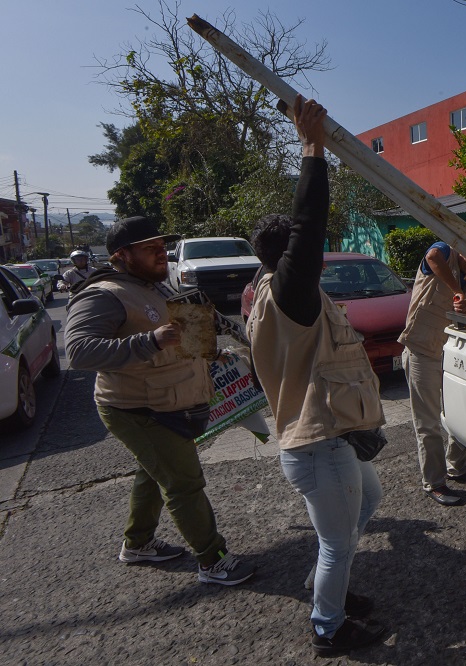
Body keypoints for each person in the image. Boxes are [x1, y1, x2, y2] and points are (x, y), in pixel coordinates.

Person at [246, 95, 388, 658]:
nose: (320, 253)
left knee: (369, 503)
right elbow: (308, 227)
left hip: (332, 441)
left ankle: (324, 586)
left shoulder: (275, 293)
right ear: (289, 260)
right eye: (308, 253)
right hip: (317, 446)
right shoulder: (288, 295)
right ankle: (328, 626)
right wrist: (312, 149)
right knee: (336, 544)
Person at [64, 216, 254, 587]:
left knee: (153, 472)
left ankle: (138, 544)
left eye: (161, 246)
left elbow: (180, 337)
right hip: (137, 408)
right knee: (183, 483)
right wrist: (150, 341)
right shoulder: (104, 293)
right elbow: (79, 352)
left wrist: (212, 353)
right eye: (149, 248)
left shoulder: (155, 286)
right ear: (121, 255)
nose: (160, 253)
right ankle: (213, 561)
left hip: (168, 402)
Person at [398, 241, 466, 506]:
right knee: (428, 423)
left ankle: (458, 468)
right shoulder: (445, 251)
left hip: (451, 353)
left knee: (462, 415)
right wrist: (458, 292)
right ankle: (435, 482)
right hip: (421, 349)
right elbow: (433, 256)